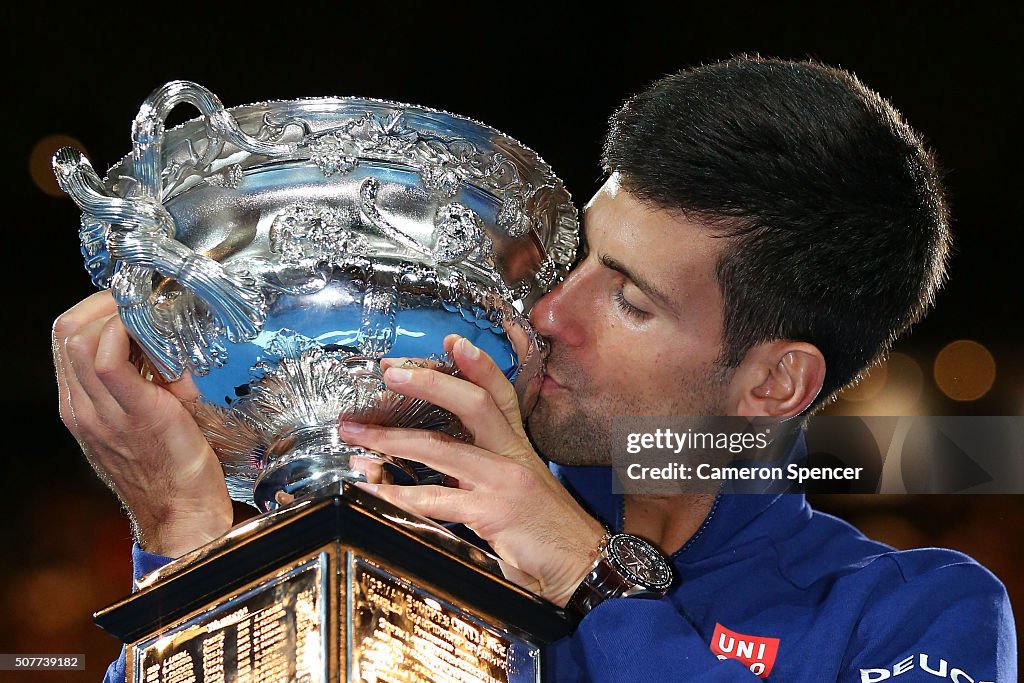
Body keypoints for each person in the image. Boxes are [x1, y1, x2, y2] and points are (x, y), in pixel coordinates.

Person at [54, 56, 1015, 681]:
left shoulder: (918, 614)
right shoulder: (414, 527)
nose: (550, 311)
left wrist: (590, 577)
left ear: (772, 383)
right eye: (581, 259)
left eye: (630, 300)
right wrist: (189, 547)